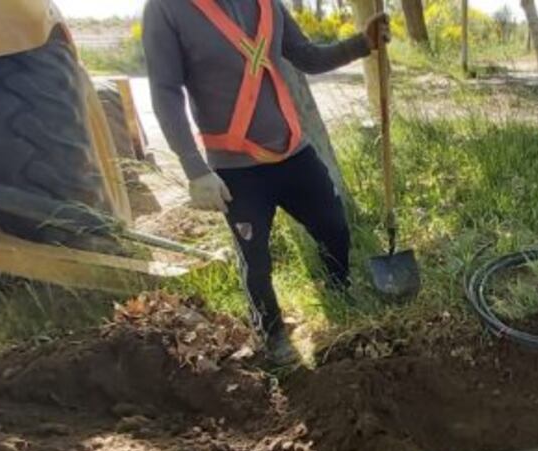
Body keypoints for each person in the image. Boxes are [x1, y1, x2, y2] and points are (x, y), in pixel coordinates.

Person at [143, 0, 389, 365]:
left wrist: (361, 44)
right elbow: (165, 93)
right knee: (255, 260)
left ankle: (338, 290)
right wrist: (195, 170)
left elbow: (308, 57)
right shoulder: (167, 9)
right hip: (235, 168)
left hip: (293, 152)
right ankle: (272, 332)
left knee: (334, 226)